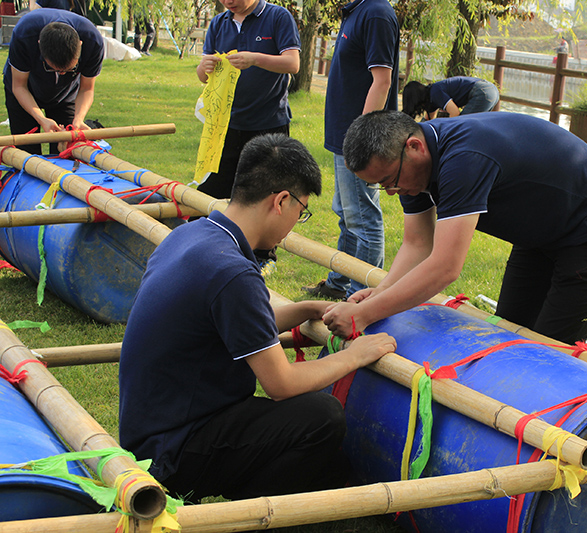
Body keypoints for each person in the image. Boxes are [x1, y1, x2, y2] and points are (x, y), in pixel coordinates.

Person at [118, 134, 397, 501]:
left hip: (150, 434)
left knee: (333, 469)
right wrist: (358, 354)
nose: (296, 223)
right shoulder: (231, 272)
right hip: (175, 452)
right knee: (322, 417)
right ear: (281, 201)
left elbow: (240, 323)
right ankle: (248, 508)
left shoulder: (194, 235)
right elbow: (281, 384)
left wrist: (311, 309)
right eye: (302, 212)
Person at [322, 110, 587, 346]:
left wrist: (365, 315)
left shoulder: (463, 160)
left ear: (414, 146)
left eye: (389, 180)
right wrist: (381, 293)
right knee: (510, 330)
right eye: (381, 185)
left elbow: (445, 267)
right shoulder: (411, 168)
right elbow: (418, 244)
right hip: (539, 228)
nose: (391, 191)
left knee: (550, 347)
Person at [302, 0, 399, 301]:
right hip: (345, 137)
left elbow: (382, 82)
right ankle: (339, 283)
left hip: (359, 141)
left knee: (362, 219)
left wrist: (361, 140)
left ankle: (362, 296)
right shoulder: (355, 11)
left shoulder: (376, 13)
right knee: (346, 214)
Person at [195, 0, 301, 200]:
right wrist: (203, 67)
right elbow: (203, 77)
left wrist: (254, 59)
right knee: (212, 195)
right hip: (224, 126)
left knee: (264, 197)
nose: (229, 2)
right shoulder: (219, 23)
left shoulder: (278, 17)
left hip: (268, 124)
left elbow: (292, 63)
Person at [3, 9, 104, 155]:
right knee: (25, 153)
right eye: (51, 69)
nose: (60, 74)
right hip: (25, 90)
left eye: (69, 69)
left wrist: (79, 119)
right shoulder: (24, 34)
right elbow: (19, 86)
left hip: (66, 95)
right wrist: (41, 119)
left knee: (67, 151)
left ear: (80, 45)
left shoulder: (93, 41)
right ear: (39, 46)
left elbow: (87, 89)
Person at [402, 77, 500, 120]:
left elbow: (455, 113)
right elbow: (430, 120)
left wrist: (447, 131)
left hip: (483, 91)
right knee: (474, 125)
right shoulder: (431, 99)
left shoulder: (435, 92)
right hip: (492, 90)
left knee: (462, 125)